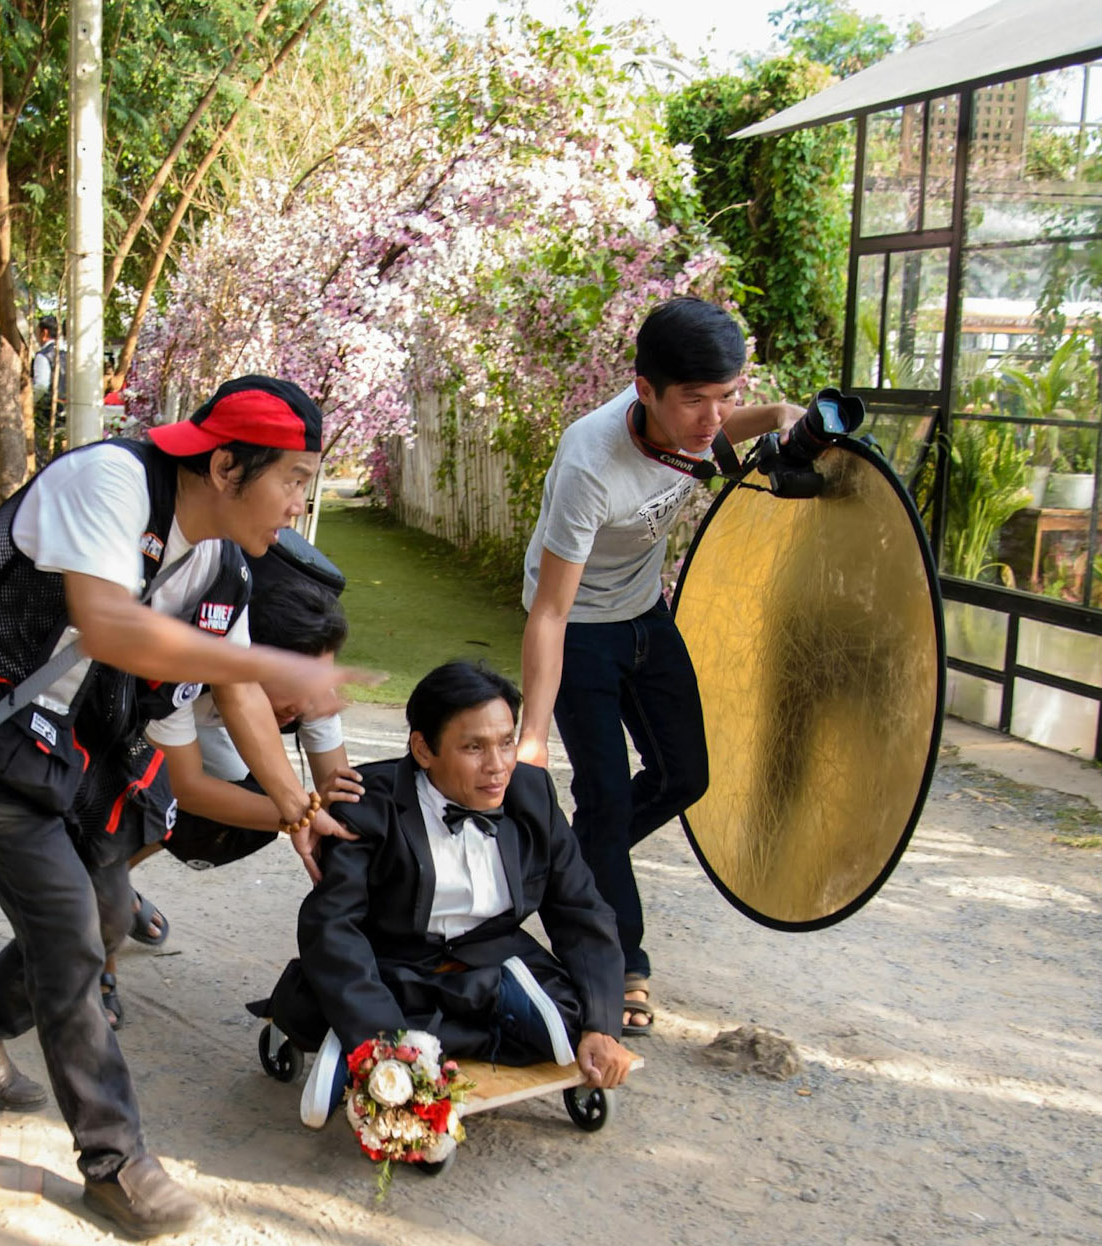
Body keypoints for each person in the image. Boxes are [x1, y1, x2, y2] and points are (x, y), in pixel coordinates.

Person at [0, 375, 367, 1239]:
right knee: (70, 931)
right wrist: (286, 673)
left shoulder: (222, 564)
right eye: (294, 477)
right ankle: (115, 1161)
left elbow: (237, 695)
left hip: (69, 748)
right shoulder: (111, 482)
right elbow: (110, 625)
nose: (301, 503)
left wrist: (299, 810)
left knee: (109, 910)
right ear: (227, 466)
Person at [517, 298, 803, 1036]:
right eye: (694, 401)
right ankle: (623, 962)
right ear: (643, 390)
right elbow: (549, 610)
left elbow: (717, 430)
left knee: (685, 776)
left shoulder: (697, 416)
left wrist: (772, 414)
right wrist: (530, 736)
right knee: (607, 799)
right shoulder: (590, 461)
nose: (711, 419)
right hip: (580, 628)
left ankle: (568, 864)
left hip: (644, 614)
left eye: (726, 396)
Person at [266, 660, 635, 1127]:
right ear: (423, 749)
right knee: (330, 1001)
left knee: (579, 1016)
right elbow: (332, 926)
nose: (498, 765)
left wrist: (603, 1027)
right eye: (473, 747)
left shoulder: (532, 793)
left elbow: (580, 907)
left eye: (505, 742)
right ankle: (380, 1040)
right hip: (396, 963)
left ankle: (411, 1041)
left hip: (489, 956)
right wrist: (380, 1043)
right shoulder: (368, 801)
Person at [93, 560, 361, 1029]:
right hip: (117, 723)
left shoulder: (306, 689)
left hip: (208, 730)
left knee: (252, 801)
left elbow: (339, 794)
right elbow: (185, 788)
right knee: (126, 818)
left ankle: (115, 885)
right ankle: (100, 926)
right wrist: (292, 816)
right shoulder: (182, 669)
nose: (305, 703)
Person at [31, 315, 63, 464]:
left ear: (44, 333)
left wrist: (29, 403)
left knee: (44, 457)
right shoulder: (67, 354)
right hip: (67, 412)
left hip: (48, 412)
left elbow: (41, 385)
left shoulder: (43, 356)